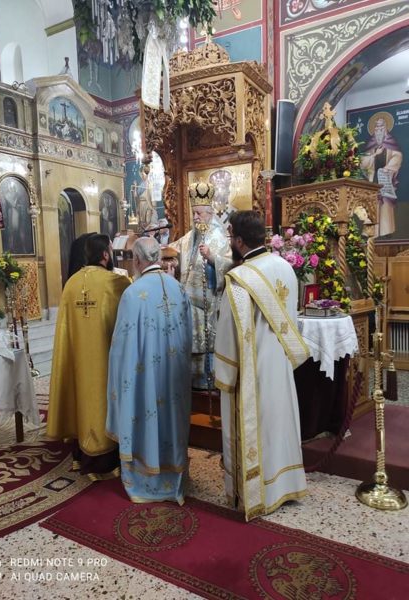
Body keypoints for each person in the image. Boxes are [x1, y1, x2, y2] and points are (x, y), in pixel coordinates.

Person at [214, 211, 309, 520]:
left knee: (260, 428)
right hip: (280, 365)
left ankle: (260, 492)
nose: (231, 242)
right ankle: (287, 483)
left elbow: (227, 334)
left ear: (240, 241)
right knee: (281, 425)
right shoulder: (285, 267)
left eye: (231, 237)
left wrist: (224, 374)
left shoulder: (240, 279)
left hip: (253, 371)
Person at [106, 237, 192, 504]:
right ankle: (175, 480)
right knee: (173, 421)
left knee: (147, 419)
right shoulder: (178, 287)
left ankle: (147, 483)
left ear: (136, 260)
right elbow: (189, 335)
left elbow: (122, 346)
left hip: (146, 378)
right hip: (174, 376)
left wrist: (120, 378)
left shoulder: (134, 293)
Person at [47, 234, 130, 479]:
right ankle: (107, 460)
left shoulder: (71, 283)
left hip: (79, 363)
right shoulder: (116, 283)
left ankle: (79, 454)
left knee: (81, 398)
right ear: (105, 254)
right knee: (103, 399)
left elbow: (65, 332)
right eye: (111, 250)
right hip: (105, 363)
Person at [169, 181, 231, 388]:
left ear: (210, 213)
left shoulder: (220, 238)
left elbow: (231, 265)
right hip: (188, 303)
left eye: (199, 213)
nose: (195, 217)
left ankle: (207, 385)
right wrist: (170, 258)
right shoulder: (189, 237)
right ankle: (192, 386)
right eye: (194, 213)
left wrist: (212, 258)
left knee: (206, 346)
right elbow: (174, 251)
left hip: (208, 305)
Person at [360, 113, 403, 236]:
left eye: (381, 126)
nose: (379, 129)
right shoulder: (371, 146)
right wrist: (374, 155)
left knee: (385, 209)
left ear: (386, 128)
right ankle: (370, 234)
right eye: (377, 127)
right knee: (371, 208)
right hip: (372, 182)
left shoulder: (391, 144)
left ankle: (386, 232)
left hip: (385, 180)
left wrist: (387, 169)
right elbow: (363, 163)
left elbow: (397, 157)